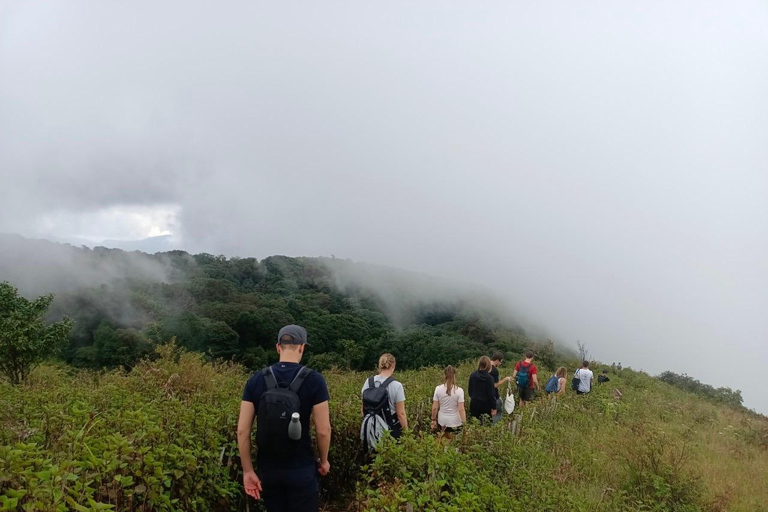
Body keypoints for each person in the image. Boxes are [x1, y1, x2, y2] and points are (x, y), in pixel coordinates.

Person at [238, 325, 331, 512]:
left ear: (278, 347)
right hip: (302, 469)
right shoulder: (315, 380)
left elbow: (242, 431)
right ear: (302, 347)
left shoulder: (255, 380)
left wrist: (248, 471)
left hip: (269, 471)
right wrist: (324, 460)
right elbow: (323, 430)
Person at [360, 353, 407, 451]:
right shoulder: (397, 385)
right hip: (390, 429)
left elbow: (363, 409)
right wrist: (407, 432)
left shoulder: (368, 382)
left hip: (370, 428)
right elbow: (401, 414)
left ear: (380, 365)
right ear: (393, 366)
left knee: (373, 458)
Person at [431, 365, 466, 439]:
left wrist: (433, 420)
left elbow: (435, 407)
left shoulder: (438, 389)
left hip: (443, 421)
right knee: (455, 443)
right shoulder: (459, 390)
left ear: (444, 375)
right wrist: (465, 424)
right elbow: (461, 409)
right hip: (456, 422)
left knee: (444, 442)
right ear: (454, 375)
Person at [468, 356, 496, 421]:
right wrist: (494, 407)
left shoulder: (473, 375)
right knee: (486, 425)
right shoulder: (490, 378)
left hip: (474, 403)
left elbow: (470, 391)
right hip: (486, 405)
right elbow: (491, 394)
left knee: (475, 424)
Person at [489, 352, 511, 423]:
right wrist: (506, 379)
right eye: (501, 362)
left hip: (484, 397)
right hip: (494, 396)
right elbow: (495, 385)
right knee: (497, 414)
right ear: (497, 360)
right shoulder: (494, 370)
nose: (500, 364)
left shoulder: (484, 367)